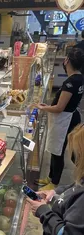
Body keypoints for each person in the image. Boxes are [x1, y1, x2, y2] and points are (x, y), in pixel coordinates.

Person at [34, 48, 84, 190]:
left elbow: (59, 108)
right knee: (56, 150)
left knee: (57, 152)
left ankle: (53, 183)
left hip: (64, 120)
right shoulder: (79, 77)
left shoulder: (70, 83)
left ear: (67, 60)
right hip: (70, 116)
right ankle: (50, 177)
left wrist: (43, 108)